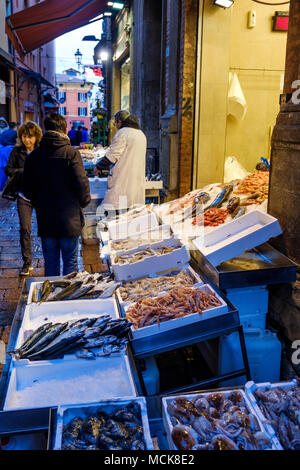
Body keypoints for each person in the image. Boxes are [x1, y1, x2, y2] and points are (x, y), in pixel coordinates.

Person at [22, 113, 91, 277]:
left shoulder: (34, 156)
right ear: (65, 130)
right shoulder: (71, 154)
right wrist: (83, 202)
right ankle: (68, 299)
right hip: (70, 219)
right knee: (70, 262)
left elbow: (26, 188)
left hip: (46, 219)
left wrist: (39, 202)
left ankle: (51, 299)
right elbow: (82, 184)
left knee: (51, 263)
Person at [4, 121, 43, 276]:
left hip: (40, 195)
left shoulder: (41, 151)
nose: (28, 140)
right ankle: (27, 263)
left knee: (44, 228)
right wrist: (21, 171)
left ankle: (49, 259)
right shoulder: (17, 150)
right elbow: (8, 169)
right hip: (23, 196)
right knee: (25, 229)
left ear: (36, 137)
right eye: (25, 137)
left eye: (30, 137)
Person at [94, 110, 147, 214]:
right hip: (136, 187)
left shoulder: (123, 133)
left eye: (116, 123)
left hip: (122, 185)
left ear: (120, 122)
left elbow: (112, 156)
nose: (116, 126)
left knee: (113, 218)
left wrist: (98, 167)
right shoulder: (141, 134)